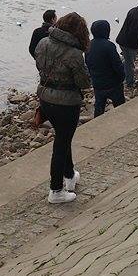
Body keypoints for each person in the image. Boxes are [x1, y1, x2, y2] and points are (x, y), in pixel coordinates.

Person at [34, 12, 92, 204]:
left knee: (63, 137)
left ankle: (69, 175)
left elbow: (38, 64)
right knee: (61, 143)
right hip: (66, 103)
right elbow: (83, 82)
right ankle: (56, 190)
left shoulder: (43, 43)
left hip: (45, 98)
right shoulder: (75, 54)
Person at [85, 20, 126, 116]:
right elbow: (117, 65)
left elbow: (88, 63)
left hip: (98, 83)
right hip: (113, 84)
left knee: (99, 108)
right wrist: (121, 77)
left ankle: (96, 125)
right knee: (120, 108)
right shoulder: (109, 46)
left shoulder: (88, 45)